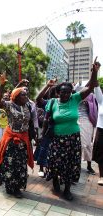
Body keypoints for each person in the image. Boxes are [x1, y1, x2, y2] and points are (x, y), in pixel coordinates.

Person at [45, 58, 100, 201]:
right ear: (58, 92)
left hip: (72, 139)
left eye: (68, 92)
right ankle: (56, 180)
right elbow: (39, 101)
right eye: (62, 92)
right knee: (56, 163)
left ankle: (68, 189)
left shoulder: (75, 98)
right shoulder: (53, 102)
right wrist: (46, 86)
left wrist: (94, 72)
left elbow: (91, 87)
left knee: (70, 164)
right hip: (57, 139)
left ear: (71, 92)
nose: (65, 94)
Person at [0, 74, 34, 198]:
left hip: (23, 141)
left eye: (26, 94)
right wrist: (2, 85)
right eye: (23, 94)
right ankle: (9, 186)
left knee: (20, 165)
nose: (25, 96)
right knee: (10, 164)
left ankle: (17, 187)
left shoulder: (27, 105)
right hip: (11, 141)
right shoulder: (10, 105)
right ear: (16, 97)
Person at [35, 79, 57, 177]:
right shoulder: (49, 102)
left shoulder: (65, 103)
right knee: (43, 148)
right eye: (56, 93)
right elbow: (38, 98)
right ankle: (41, 168)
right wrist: (47, 86)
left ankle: (52, 170)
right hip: (47, 130)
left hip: (59, 131)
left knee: (54, 151)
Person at [74, 82, 98, 175]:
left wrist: (88, 103)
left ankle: (89, 165)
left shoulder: (91, 96)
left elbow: (95, 108)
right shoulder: (76, 95)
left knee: (87, 144)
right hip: (75, 121)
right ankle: (76, 165)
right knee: (78, 145)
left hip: (87, 121)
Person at [93, 81, 103, 185]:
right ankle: (102, 176)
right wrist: (95, 71)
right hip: (101, 130)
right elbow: (96, 84)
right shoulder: (101, 99)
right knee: (101, 154)